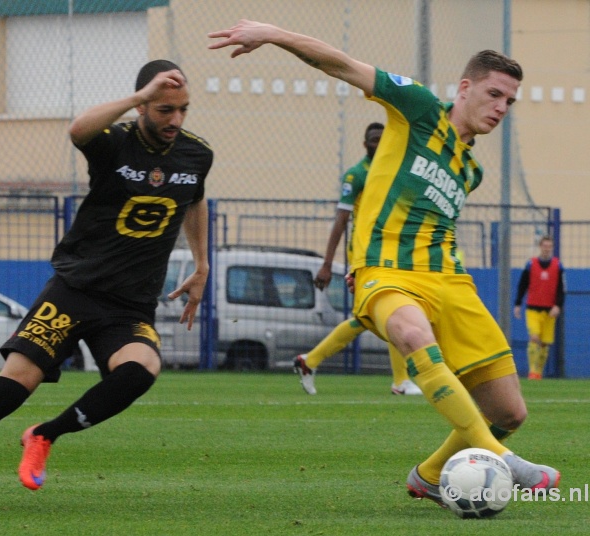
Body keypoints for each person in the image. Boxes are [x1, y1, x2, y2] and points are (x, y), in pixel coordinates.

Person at [209, 20, 560, 506]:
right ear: (465, 87)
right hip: (385, 273)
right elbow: (341, 64)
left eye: (509, 102)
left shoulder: (470, 169)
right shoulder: (416, 108)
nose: (501, 108)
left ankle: (429, 476)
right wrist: (273, 34)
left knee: (511, 410)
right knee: (415, 336)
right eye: (495, 94)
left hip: (450, 282)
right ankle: (502, 458)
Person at [0, 59, 214, 508]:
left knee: (140, 372)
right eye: (164, 109)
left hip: (128, 306)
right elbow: (78, 130)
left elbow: (195, 199)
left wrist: (201, 264)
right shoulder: (113, 141)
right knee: (10, 389)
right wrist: (140, 98)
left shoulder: (197, 153)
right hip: (75, 290)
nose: (175, 120)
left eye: (183, 109)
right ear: (143, 106)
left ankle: (45, 434)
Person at [293, 122, 422, 396]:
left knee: (377, 316)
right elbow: (341, 220)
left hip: (389, 255)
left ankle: (310, 361)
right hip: (365, 257)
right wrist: (327, 264)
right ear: (365, 144)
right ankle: (401, 381)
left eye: (382, 139)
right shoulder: (356, 175)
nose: (378, 144)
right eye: (373, 140)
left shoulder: (393, 171)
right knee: (388, 314)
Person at [514, 235, 565, 380]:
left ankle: (539, 372)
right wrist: (518, 303)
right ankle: (532, 372)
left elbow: (561, 288)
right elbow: (522, 285)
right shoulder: (531, 264)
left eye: (549, 246)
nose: (547, 249)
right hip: (533, 308)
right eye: (545, 246)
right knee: (534, 337)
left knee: (544, 343)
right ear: (540, 247)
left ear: (552, 248)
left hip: (549, 310)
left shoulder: (558, 266)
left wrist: (558, 305)